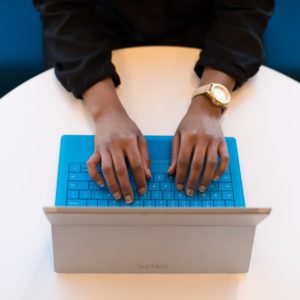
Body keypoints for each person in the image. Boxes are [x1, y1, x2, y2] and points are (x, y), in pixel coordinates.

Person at [34, 0, 274, 204]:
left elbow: (247, 7)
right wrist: (106, 111)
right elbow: (62, 7)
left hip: (210, 37)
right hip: (93, 38)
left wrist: (207, 105)